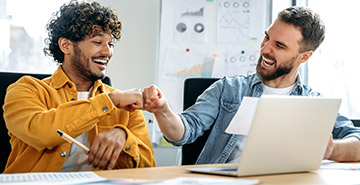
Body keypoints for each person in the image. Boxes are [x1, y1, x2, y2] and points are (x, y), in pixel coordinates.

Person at [142, 6, 360, 164]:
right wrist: (163, 111)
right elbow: (183, 133)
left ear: (304, 57)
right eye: (266, 38)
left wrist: (331, 150)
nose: (265, 49)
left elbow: (356, 142)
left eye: (279, 46)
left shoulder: (314, 103)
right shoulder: (228, 89)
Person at [3, 0, 155, 173]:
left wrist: (124, 137)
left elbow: (148, 168)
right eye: (98, 42)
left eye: (110, 44)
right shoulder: (26, 89)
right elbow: (40, 132)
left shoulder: (126, 106)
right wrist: (108, 102)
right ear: (66, 45)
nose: (107, 52)